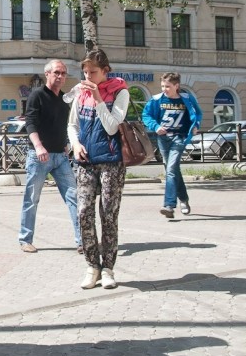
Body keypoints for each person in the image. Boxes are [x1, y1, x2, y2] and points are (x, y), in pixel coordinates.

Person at [67, 49, 129, 290]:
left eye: (93, 71)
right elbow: (72, 124)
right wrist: (74, 143)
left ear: (105, 71)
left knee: (108, 215)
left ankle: (108, 269)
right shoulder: (81, 94)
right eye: (85, 71)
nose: (88, 75)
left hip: (110, 162)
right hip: (85, 162)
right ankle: (92, 266)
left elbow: (112, 127)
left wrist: (100, 99)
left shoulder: (120, 92)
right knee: (83, 211)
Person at [18, 59, 81, 254]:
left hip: (61, 157)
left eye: (63, 73)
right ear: (47, 74)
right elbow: (30, 122)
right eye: (57, 73)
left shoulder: (63, 99)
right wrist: (38, 147)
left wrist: (67, 145)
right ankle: (25, 239)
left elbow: (65, 125)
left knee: (74, 197)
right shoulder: (37, 95)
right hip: (39, 157)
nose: (60, 76)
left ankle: (82, 240)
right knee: (32, 199)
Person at [142, 72, 202, 219]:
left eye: (168, 86)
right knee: (173, 170)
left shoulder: (187, 99)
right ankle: (184, 200)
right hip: (163, 139)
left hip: (179, 138)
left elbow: (198, 114)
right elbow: (146, 115)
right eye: (162, 86)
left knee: (170, 170)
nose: (164, 89)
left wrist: (196, 125)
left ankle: (169, 205)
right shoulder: (156, 100)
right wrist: (155, 127)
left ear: (176, 86)